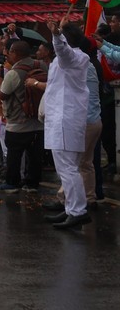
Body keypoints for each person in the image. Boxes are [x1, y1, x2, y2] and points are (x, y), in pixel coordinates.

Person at [41, 19, 92, 230]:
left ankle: (78, 211)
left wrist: (56, 35)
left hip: (65, 119)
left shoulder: (74, 57)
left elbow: (64, 52)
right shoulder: (68, 59)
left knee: (69, 169)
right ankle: (72, 209)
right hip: (62, 119)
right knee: (65, 169)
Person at [0, 40, 46, 193]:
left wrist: (0, 81)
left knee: (14, 155)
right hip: (39, 120)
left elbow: (3, 95)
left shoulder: (14, 73)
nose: (8, 55)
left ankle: (12, 182)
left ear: (15, 53)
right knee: (35, 155)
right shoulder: (42, 66)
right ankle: (32, 183)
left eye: (9, 52)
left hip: (18, 122)